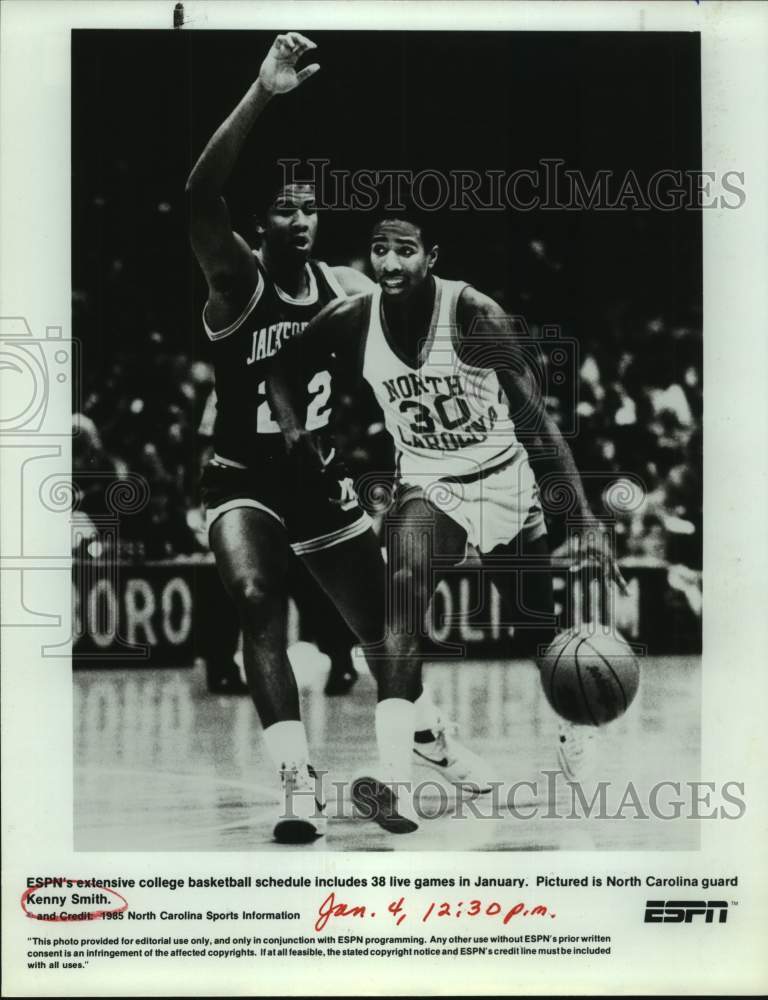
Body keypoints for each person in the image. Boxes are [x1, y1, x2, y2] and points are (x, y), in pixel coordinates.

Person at [186, 36, 488, 842]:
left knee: (388, 630)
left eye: (311, 207)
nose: (301, 217)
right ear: (262, 222)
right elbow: (197, 194)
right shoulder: (234, 280)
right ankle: (296, 781)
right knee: (257, 602)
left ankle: (427, 739)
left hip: (317, 478)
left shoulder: (348, 289)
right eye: (285, 207)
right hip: (242, 476)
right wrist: (261, 91)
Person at [268, 207, 626, 829]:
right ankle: (396, 783)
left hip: (505, 483)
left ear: (431, 257)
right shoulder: (356, 320)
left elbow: (537, 423)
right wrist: (295, 430)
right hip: (429, 484)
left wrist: (586, 522)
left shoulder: (474, 316)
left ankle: (574, 727)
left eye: (404, 250)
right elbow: (281, 367)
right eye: (379, 250)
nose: (389, 263)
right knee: (399, 597)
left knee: (535, 627)